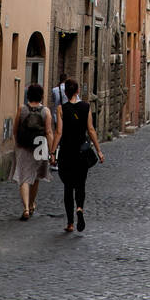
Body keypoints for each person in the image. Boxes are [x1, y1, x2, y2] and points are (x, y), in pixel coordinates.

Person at [52, 78, 103, 232]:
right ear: (78, 91)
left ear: (66, 93)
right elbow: (91, 129)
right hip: (82, 152)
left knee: (68, 187)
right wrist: (99, 150)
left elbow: (59, 132)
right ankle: (80, 208)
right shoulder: (86, 107)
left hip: (67, 152)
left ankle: (70, 223)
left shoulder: (61, 109)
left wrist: (52, 152)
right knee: (80, 184)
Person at [12, 83, 50, 221]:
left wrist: (17, 142)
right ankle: (32, 204)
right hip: (40, 145)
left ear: (28, 95)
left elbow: (15, 129)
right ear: (41, 96)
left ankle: (26, 208)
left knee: (23, 176)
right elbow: (49, 132)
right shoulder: (46, 111)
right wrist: (51, 150)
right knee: (36, 176)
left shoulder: (21, 109)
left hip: (23, 145)